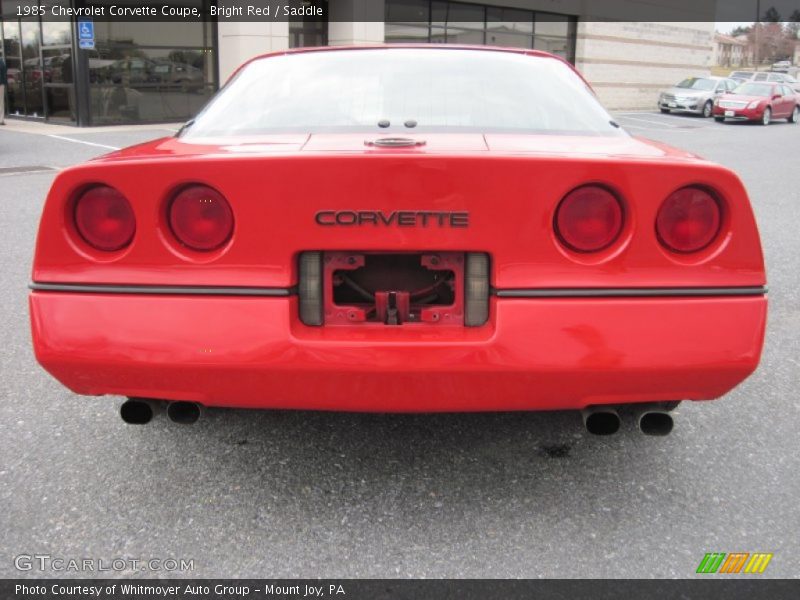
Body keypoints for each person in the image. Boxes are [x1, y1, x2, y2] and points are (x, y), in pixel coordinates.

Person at [0, 57, 7, 125]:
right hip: (1, 83)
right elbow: (4, 71)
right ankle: (1, 120)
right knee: (1, 102)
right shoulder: (1, 62)